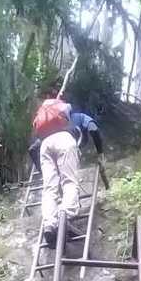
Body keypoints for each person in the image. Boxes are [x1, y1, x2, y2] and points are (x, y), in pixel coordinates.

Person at [29, 90, 104, 247]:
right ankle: (65, 216)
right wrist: (100, 153)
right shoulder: (78, 117)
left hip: (45, 145)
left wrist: (42, 171)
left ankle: (49, 224)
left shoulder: (47, 124)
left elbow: (32, 149)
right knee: (69, 182)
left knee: (49, 189)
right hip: (65, 142)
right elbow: (93, 128)